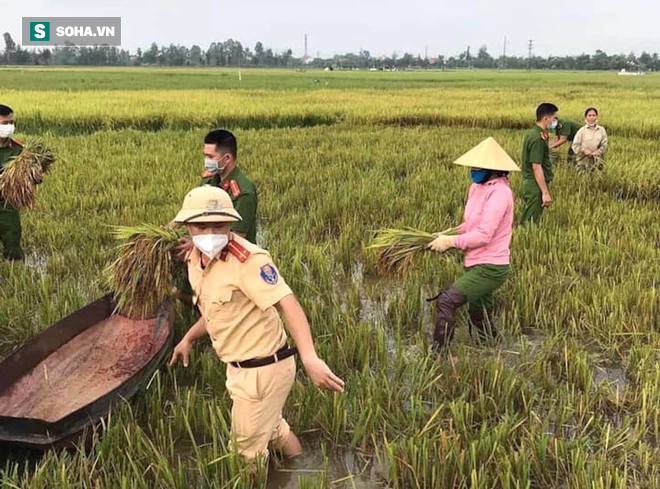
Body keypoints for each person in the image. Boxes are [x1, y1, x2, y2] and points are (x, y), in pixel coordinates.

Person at [168, 185, 344, 462]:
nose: (210, 234)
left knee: (245, 455)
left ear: (230, 223)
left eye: (219, 225)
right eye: (201, 226)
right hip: (239, 368)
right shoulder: (193, 258)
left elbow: (288, 304)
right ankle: (300, 470)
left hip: (263, 370)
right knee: (273, 429)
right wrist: (188, 338)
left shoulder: (249, 260)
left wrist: (310, 358)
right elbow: (216, 312)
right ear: (187, 227)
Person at [426, 137, 520, 351]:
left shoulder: (501, 193)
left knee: (447, 301)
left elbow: (484, 235)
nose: (473, 170)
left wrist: (450, 242)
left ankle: (439, 357)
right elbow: (470, 224)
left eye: (478, 167)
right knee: (478, 312)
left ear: (492, 168)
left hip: (491, 268)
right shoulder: (476, 188)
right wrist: (445, 234)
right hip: (474, 262)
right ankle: (494, 349)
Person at [173, 129, 258, 302]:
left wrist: (193, 243)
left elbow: (235, 236)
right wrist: (168, 229)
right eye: (205, 156)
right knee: (182, 289)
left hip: (230, 253)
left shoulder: (243, 192)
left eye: (210, 157)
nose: (206, 161)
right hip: (206, 247)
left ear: (226, 159)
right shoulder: (210, 179)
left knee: (219, 299)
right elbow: (194, 210)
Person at [520, 103, 558, 225]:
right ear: (546, 119)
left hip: (531, 183)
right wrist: (545, 192)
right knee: (530, 223)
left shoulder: (532, 133)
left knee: (531, 219)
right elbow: (536, 166)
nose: (555, 121)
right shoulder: (538, 138)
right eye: (553, 118)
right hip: (535, 184)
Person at [0, 104, 25, 261]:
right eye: (5, 123)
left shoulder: (19, 150)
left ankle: (15, 275)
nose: (9, 127)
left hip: (7, 204)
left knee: (13, 246)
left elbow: (31, 180)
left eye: (11, 123)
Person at [572, 108, 609, 174]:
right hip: (583, 161)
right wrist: (584, 150)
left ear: (597, 116)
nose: (592, 117)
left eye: (594, 115)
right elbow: (575, 145)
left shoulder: (601, 130)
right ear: (586, 117)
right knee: (583, 180)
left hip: (597, 161)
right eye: (589, 115)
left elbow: (604, 144)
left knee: (596, 179)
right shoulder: (581, 131)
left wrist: (598, 152)